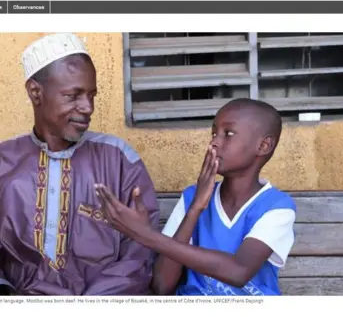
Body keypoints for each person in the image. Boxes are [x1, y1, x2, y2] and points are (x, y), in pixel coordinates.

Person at [0, 33, 159, 295]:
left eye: (91, 95)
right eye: (73, 96)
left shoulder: (119, 160)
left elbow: (138, 258)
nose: (88, 107)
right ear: (35, 92)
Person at [95, 98, 296, 295]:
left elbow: (239, 271)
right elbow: (162, 286)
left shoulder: (277, 207)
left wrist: (145, 234)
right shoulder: (192, 197)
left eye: (229, 133)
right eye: (214, 132)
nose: (214, 142)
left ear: (263, 146)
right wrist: (195, 209)